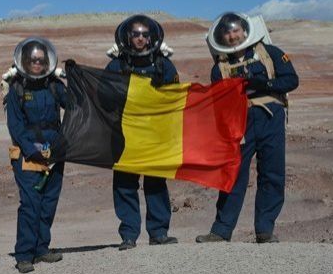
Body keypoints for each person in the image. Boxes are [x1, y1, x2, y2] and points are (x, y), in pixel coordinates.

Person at [196, 12, 299, 243]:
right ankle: (221, 231)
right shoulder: (219, 67)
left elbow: (292, 80)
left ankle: (264, 230)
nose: (232, 36)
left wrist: (266, 84)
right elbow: (217, 102)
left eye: (235, 31)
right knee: (233, 175)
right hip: (239, 124)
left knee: (272, 174)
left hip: (270, 118)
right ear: (221, 36)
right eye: (227, 32)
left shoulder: (270, 53)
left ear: (245, 30)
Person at [105, 15, 180, 250]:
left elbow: (175, 96)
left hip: (154, 134)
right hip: (126, 134)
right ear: (127, 36)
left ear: (151, 37)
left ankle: (158, 232)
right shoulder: (116, 65)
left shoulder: (163, 64)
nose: (140, 38)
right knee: (125, 184)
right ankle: (129, 234)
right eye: (135, 34)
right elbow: (103, 96)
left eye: (144, 34)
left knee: (156, 182)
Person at [4, 37, 68, 273]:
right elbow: (15, 126)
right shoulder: (17, 90)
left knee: (49, 202)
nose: (37, 64)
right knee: (31, 204)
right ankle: (24, 254)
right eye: (33, 60)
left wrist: (75, 78)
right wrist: (33, 152)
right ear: (24, 61)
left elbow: (74, 105)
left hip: (55, 155)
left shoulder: (54, 86)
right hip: (28, 156)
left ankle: (42, 249)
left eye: (41, 60)